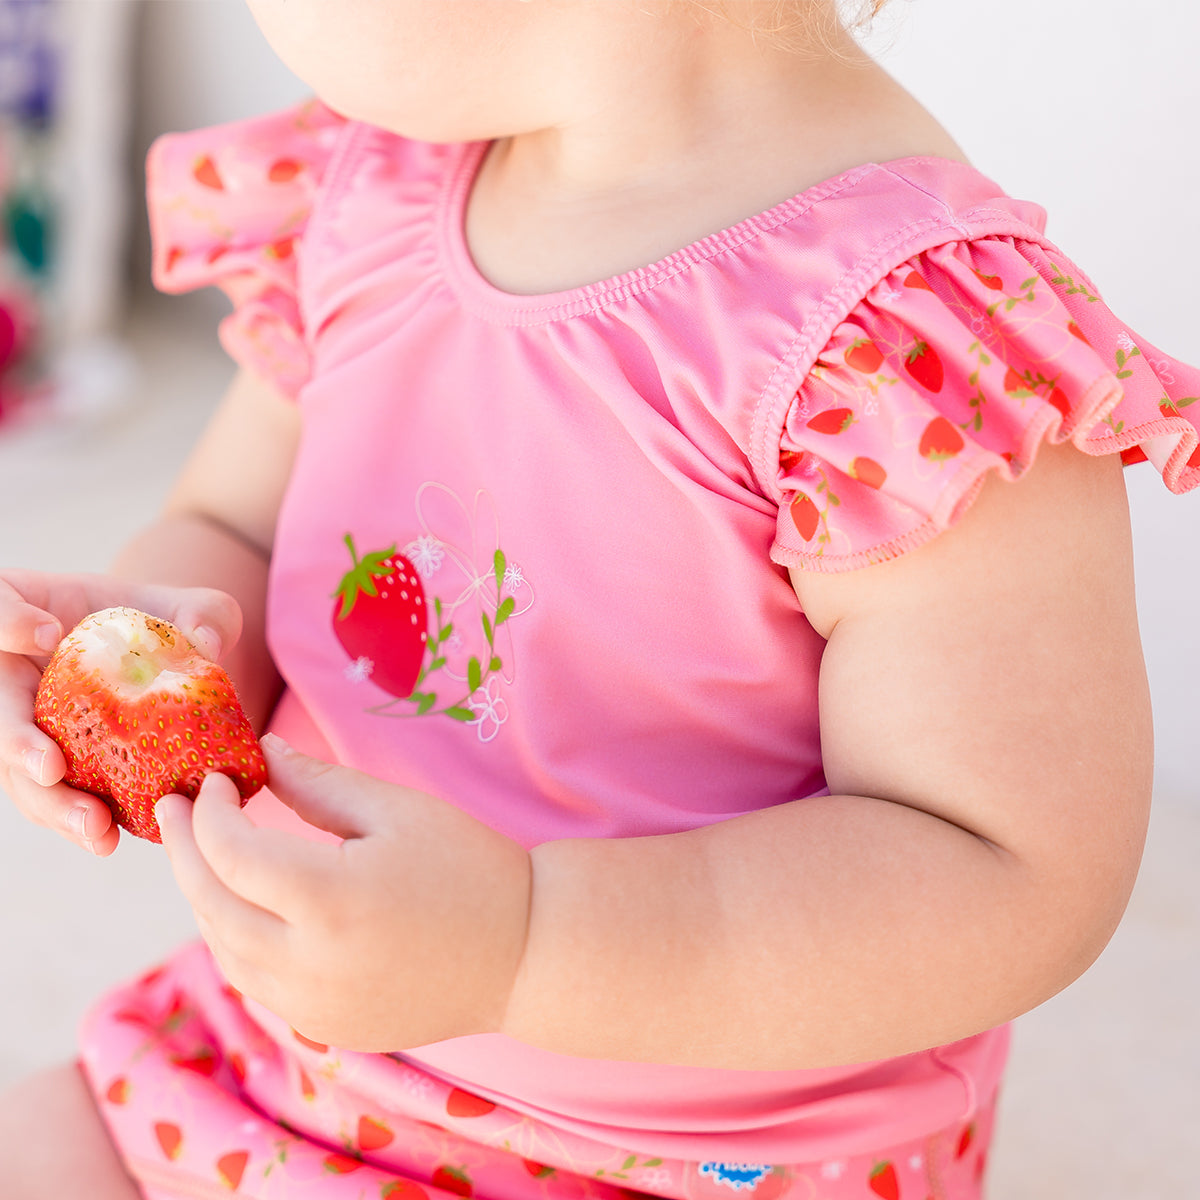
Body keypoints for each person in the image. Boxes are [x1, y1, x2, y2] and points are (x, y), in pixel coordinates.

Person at [1, 1, 1197, 1196]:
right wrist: (151, 643)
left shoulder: (897, 350)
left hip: (683, 1157)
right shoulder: (372, 187)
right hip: (287, 1042)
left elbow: (1005, 869)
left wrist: (521, 944)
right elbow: (242, 525)